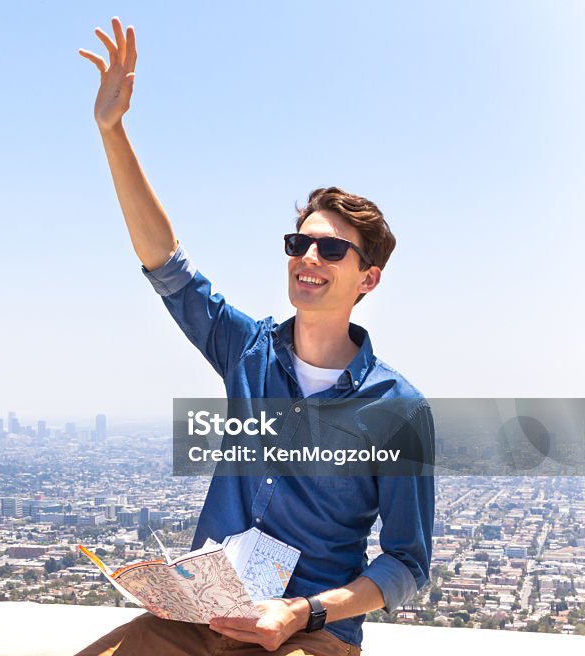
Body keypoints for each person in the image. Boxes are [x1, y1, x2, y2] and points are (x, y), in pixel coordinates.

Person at [75, 17, 434, 656]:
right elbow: (167, 264)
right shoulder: (247, 352)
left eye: (331, 249)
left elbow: (408, 564)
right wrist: (113, 131)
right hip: (199, 621)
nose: (309, 259)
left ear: (368, 278)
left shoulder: (397, 410)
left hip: (306, 638)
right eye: (300, 243)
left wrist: (302, 614)